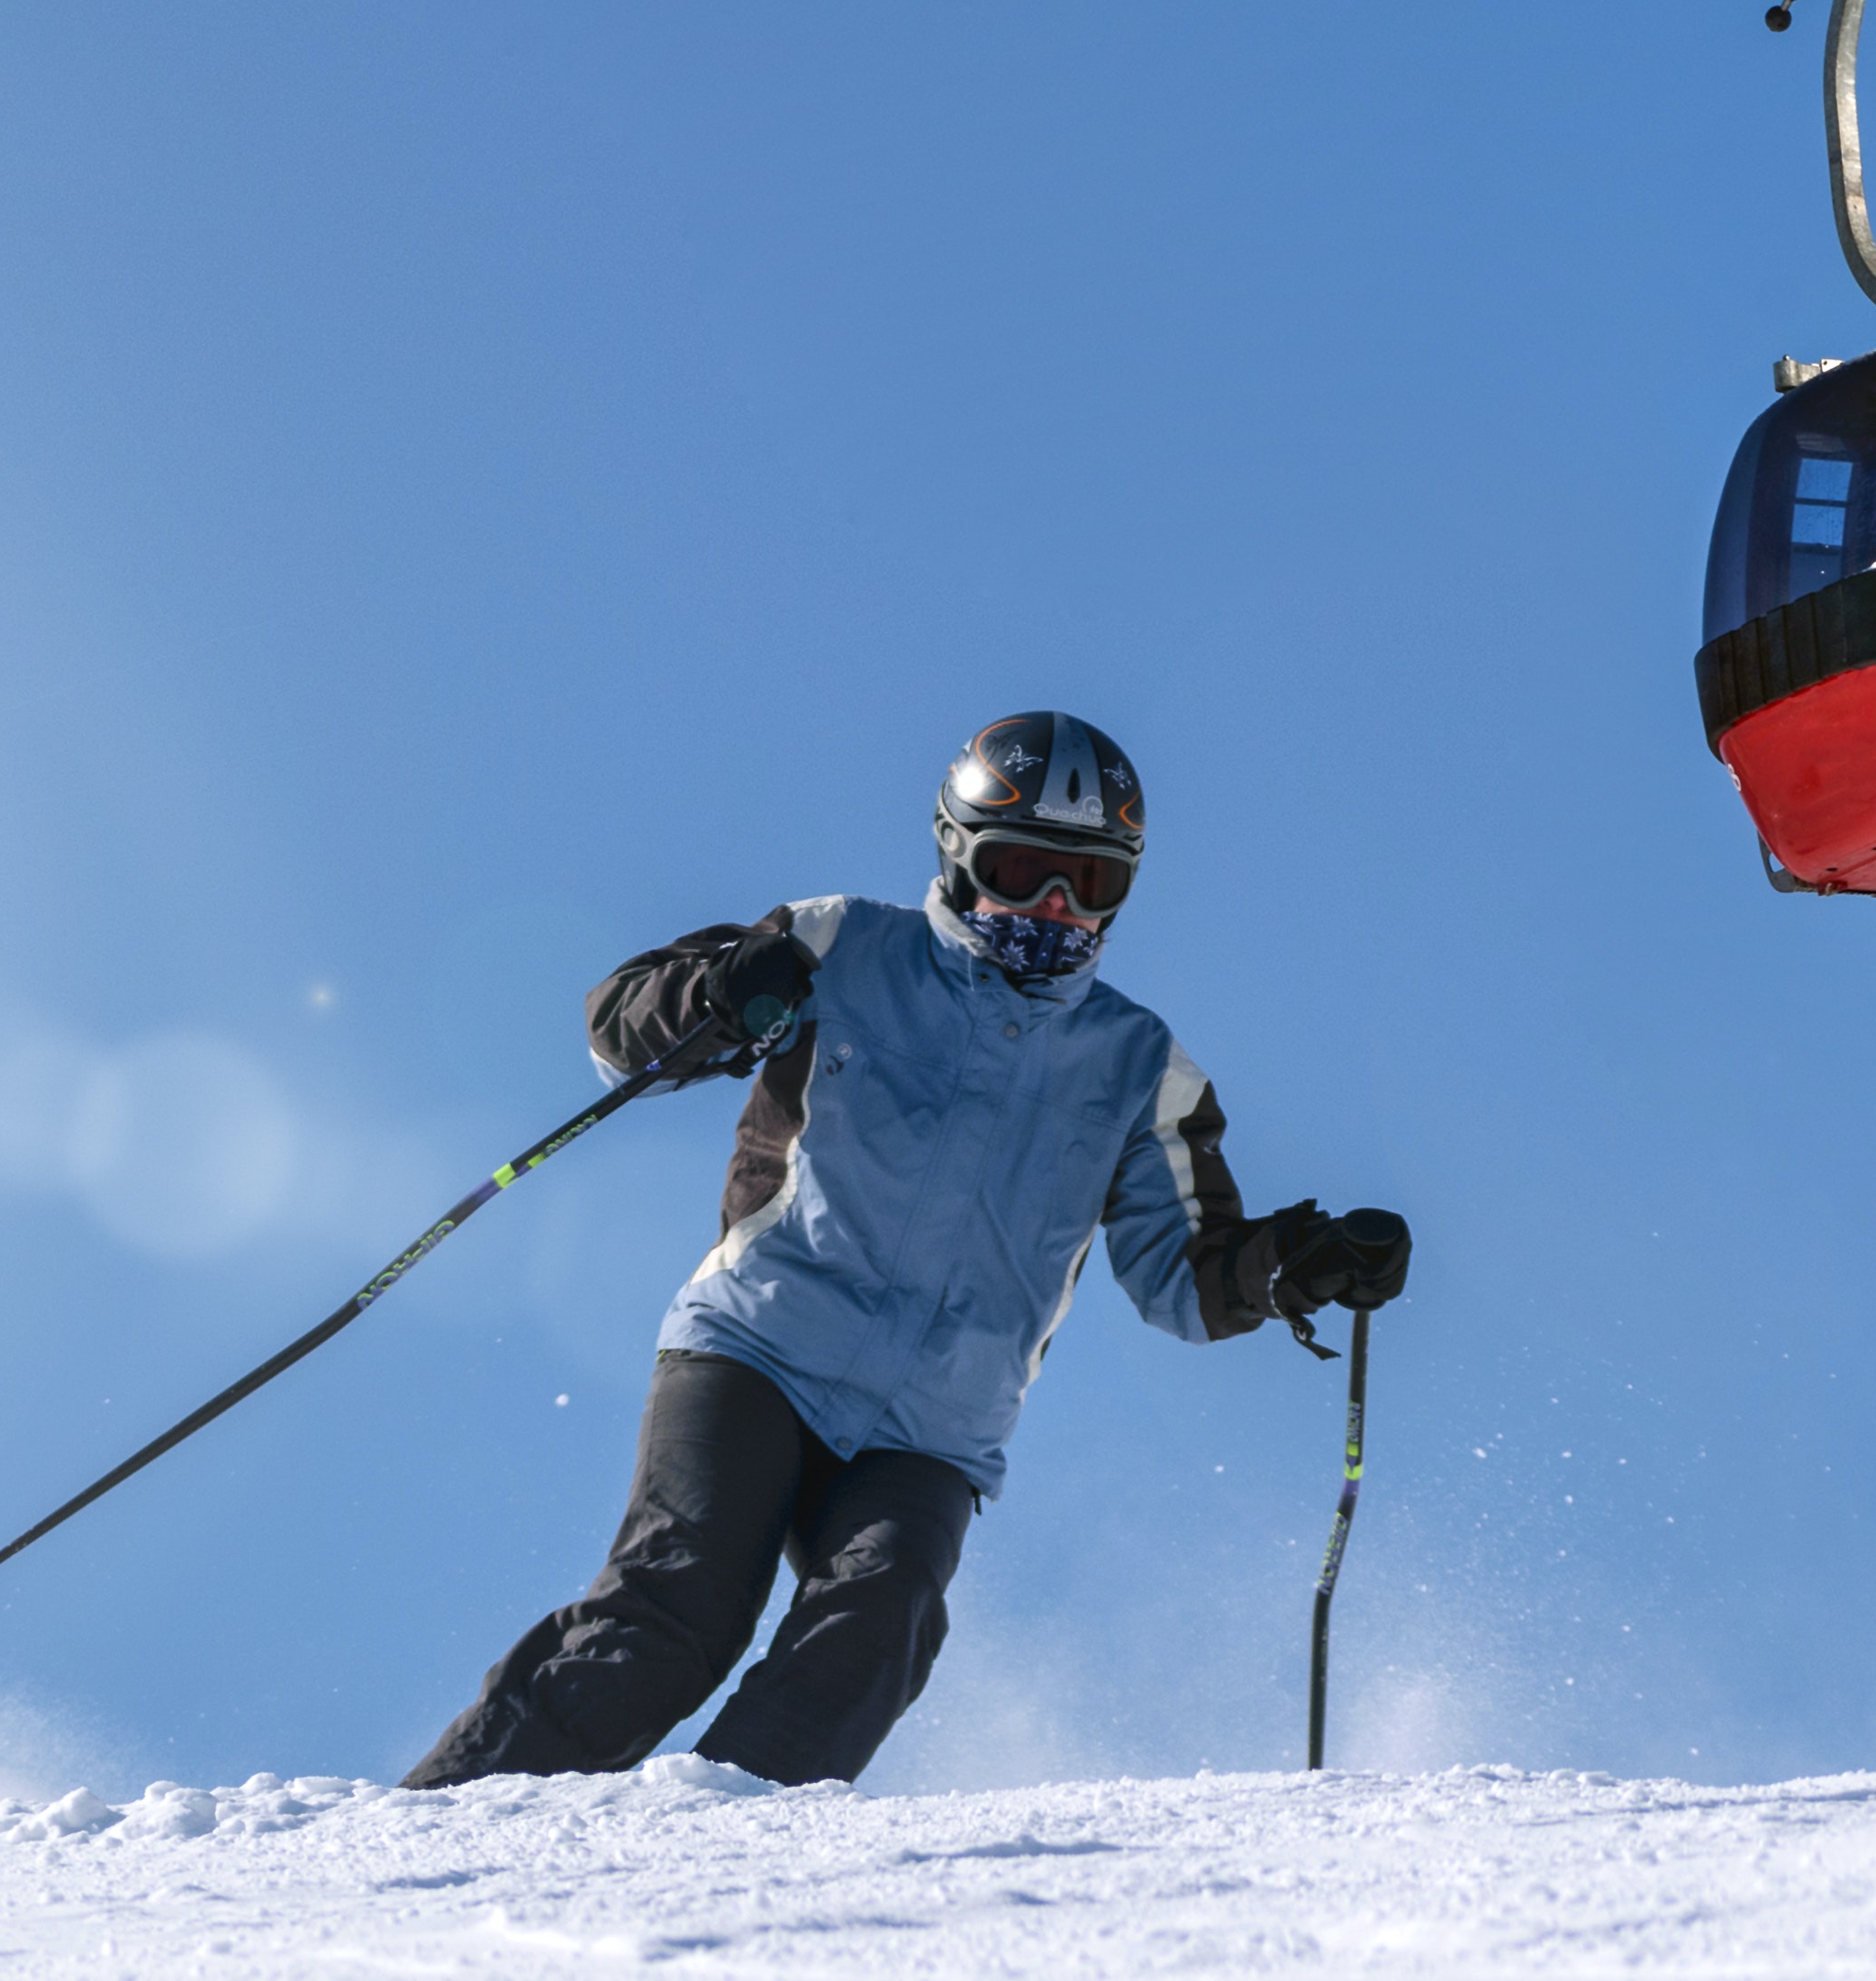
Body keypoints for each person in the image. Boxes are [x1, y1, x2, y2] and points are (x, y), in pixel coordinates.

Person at [405, 710, 1412, 1791]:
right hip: (759, 1347)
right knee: (678, 1611)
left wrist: (1296, 1262)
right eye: (1021, 869)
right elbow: (623, 1027)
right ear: (955, 850)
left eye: (1088, 883)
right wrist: (723, 994)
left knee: (877, 1628)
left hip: (931, 1427)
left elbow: (1187, 1277)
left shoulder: (1138, 1067)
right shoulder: (841, 945)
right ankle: (444, 1829)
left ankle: (713, 1859)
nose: (1053, 909)